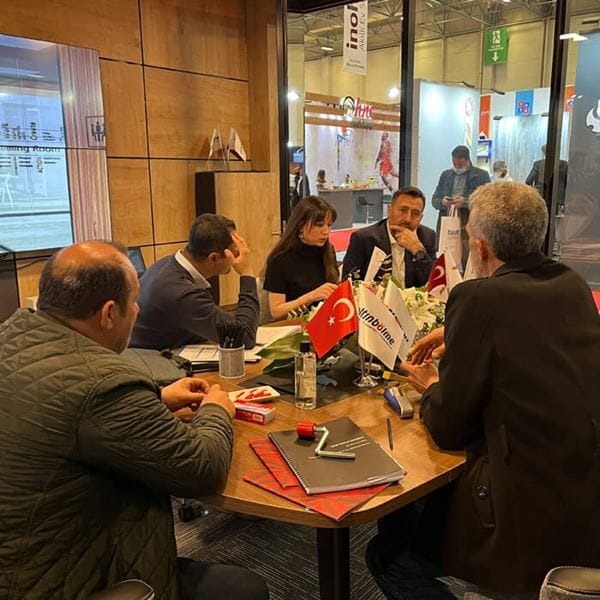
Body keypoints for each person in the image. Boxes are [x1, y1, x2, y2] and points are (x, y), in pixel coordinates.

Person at [367, 181, 600, 599]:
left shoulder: (479, 297)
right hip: (583, 493)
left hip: (520, 507)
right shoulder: (571, 284)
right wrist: (456, 333)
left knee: (390, 554)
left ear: (480, 247)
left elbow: (448, 425)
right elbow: (531, 340)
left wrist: (432, 383)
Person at [0, 241, 269, 600]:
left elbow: (62, 407)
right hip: (60, 578)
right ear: (109, 313)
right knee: (245, 590)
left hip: (20, 554)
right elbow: (202, 468)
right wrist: (216, 410)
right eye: (135, 300)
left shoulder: (13, 336)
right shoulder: (101, 382)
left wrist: (154, 398)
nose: (139, 309)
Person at [130, 213, 259, 350]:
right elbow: (245, 338)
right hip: (149, 359)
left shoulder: (167, 263)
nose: (239, 257)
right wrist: (246, 273)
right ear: (214, 258)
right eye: (235, 252)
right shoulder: (182, 293)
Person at [341, 186, 436, 286]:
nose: (408, 219)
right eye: (402, 210)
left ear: (420, 218)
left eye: (415, 213)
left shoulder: (427, 237)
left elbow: (434, 285)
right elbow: (348, 283)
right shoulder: (364, 238)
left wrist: (418, 250)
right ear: (389, 210)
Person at [264, 195, 338, 320]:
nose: (326, 231)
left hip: (326, 321)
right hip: (294, 325)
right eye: (319, 225)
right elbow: (276, 312)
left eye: (329, 225)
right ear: (300, 226)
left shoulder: (328, 251)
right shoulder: (280, 260)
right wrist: (312, 296)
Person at [431, 144, 490, 255]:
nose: (457, 167)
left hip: (468, 223)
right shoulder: (446, 175)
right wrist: (443, 202)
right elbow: (434, 200)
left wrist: (465, 202)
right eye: (454, 164)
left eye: (460, 164)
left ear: (468, 160)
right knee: (445, 257)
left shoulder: (481, 175)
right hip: (447, 222)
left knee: (467, 256)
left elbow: (486, 201)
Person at [525, 144, 568, 209]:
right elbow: (568, 183)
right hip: (558, 200)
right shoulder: (564, 164)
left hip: (542, 198)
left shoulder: (538, 164)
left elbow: (528, 181)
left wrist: (535, 192)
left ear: (544, 153)